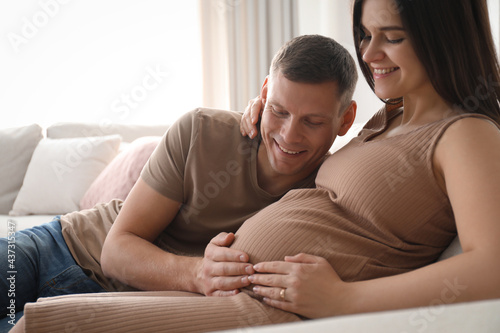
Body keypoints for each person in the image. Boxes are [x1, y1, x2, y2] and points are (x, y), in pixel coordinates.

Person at [11, 0, 500, 332]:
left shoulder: (466, 134)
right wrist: (266, 114)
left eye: (390, 37)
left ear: (443, 35)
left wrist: (343, 302)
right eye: (365, 34)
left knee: (40, 324)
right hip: (105, 257)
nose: (369, 53)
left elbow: (493, 266)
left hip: (258, 306)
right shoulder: (388, 118)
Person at [0, 34, 358, 329]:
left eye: (312, 122)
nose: (288, 135)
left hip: (110, 305)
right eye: (279, 111)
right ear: (264, 94)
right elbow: (115, 250)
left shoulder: (330, 189)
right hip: (63, 246)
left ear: (346, 119)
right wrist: (198, 272)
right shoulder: (202, 131)